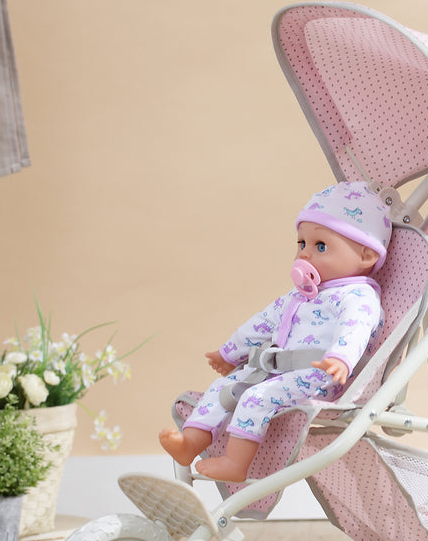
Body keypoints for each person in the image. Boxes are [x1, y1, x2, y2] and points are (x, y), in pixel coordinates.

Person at [158, 181, 392, 482]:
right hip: (278, 371)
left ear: (366, 256)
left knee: (257, 397)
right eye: (302, 244)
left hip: (320, 376)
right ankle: (190, 443)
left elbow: (355, 328)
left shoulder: (358, 296)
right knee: (224, 387)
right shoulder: (302, 294)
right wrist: (229, 353)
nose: (305, 254)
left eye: (320, 246)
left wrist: (340, 358)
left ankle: (235, 463)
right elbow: (263, 322)